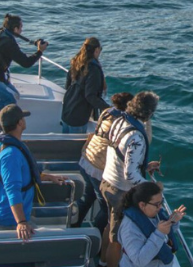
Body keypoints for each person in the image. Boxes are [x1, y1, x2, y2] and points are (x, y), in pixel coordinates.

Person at [101, 91, 162, 267]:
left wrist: (143, 166)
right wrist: (153, 187)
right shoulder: (137, 136)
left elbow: (121, 153)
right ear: (149, 113)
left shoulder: (119, 120)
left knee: (110, 226)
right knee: (117, 240)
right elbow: (130, 174)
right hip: (120, 191)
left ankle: (102, 260)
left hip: (107, 182)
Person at [0, 104, 67, 241]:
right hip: (11, 218)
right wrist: (21, 222)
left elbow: (21, 171)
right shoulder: (11, 154)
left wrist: (45, 176)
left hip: (15, 213)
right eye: (23, 118)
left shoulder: (5, 143)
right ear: (20, 123)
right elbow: (12, 190)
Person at [74, 92, 134, 262]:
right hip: (98, 167)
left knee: (87, 196)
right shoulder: (121, 122)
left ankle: (73, 225)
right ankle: (97, 237)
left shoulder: (107, 112)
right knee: (105, 206)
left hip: (87, 158)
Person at [0, 14, 48, 131]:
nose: (22, 30)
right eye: (21, 27)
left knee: (16, 95)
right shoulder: (9, 43)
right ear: (15, 29)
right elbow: (26, 63)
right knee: (10, 99)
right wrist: (40, 51)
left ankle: (2, 117)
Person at [117, 182, 186, 267]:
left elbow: (165, 236)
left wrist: (172, 221)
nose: (160, 207)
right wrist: (159, 234)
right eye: (157, 204)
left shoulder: (154, 213)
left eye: (161, 202)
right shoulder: (129, 229)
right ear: (142, 205)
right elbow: (139, 260)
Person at [61, 37, 108, 134]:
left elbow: (67, 85)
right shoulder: (93, 70)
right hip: (78, 116)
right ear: (96, 50)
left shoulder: (76, 63)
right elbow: (90, 95)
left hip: (67, 110)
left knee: (66, 142)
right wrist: (108, 108)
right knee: (74, 148)